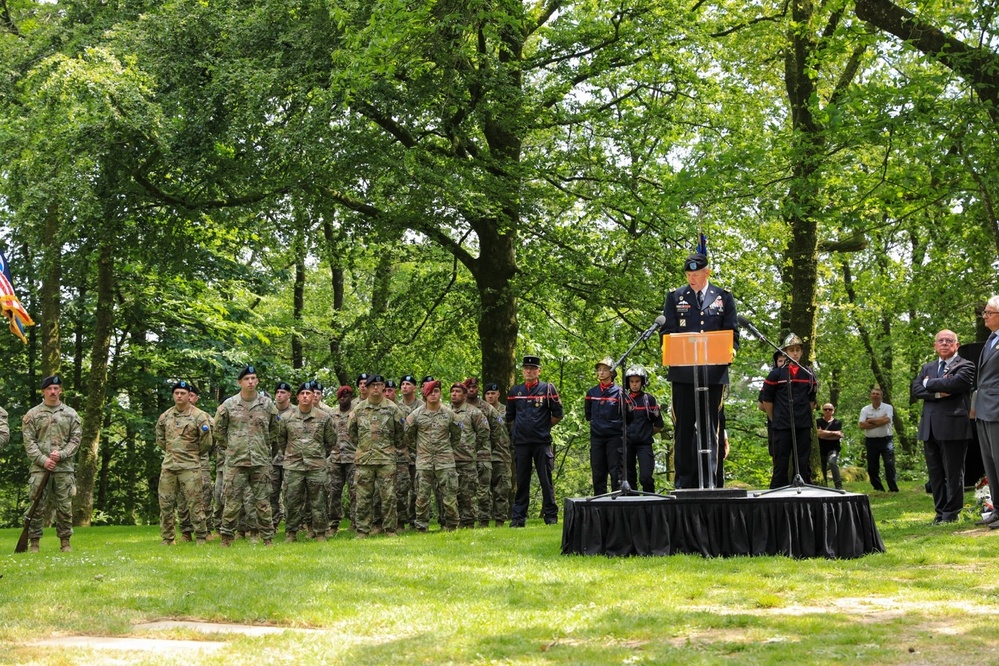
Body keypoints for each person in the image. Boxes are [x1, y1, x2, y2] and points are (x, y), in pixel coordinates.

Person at [660, 252, 738, 488]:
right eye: (688, 274)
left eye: (696, 274)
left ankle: (710, 479)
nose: (691, 278)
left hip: (712, 374)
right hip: (683, 374)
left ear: (707, 273)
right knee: (683, 428)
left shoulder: (723, 297)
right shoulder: (675, 297)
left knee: (710, 428)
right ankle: (683, 482)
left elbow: (732, 333)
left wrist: (731, 350)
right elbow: (666, 332)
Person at [911, 329, 975, 524]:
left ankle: (951, 514)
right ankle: (940, 513)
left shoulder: (966, 365)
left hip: (953, 427)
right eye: (941, 341)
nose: (945, 343)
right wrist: (938, 391)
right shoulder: (927, 367)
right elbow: (916, 389)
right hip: (929, 427)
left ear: (956, 345)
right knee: (935, 474)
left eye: (949, 341)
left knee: (954, 473)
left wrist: (929, 384)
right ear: (935, 346)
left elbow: (957, 383)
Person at [215, 365, 280, 546]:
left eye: (253, 378)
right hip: (236, 461)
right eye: (246, 379)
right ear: (240, 382)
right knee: (232, 501)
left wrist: (264, 446)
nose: (250, 382)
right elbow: (218, 431)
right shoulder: (229, 405)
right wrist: (232, 447)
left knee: (263, 502)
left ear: (257, 381)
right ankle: (226, 538)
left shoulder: (267, 405)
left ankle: (267, 539)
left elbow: (275, 429)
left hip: (260, 460)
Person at [21, 375, 82, 553]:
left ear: (60, 390)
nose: (53, 392)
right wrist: (43, 460)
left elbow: (76, 440)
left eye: (56, 388)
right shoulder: (32, 414)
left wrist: (62, 454)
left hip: (64, 469)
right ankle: (34, 544)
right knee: (36, 507)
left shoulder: (71, 414)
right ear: (43, 391)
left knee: (65, 507)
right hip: (40, 469)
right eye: (49, 389)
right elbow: (29, 442)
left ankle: (65, 542)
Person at [506, 355, 563, 526]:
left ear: (539, 371)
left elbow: (558, 414)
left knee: (546, 480)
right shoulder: (515, 392)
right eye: (526, 368)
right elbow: (510, 417)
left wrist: (543, 428)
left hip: (542, 443)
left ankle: (551, 516)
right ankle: (518, 518)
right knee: (522, 481)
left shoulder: (548, 389)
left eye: (532, 368)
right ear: (522, 371)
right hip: (522, 443)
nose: (529, 371)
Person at [156, 380, 213, 545]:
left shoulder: (198, 416)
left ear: (190, 396)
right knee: (166, 503)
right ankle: (168, 538)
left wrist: (192, 454)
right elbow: (160, 439)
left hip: (190, 466)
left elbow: (207, 442)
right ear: (173, 395)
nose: (179, 396)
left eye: (183, 393)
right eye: (176, 393)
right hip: (169, 466)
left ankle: (201, 536)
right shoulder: (165, 416)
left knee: (195, 503)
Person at [348, 375, 404, 537]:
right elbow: (352, 433)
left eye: (379, 385)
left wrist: (388, 448)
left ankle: (390, 530)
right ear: (367, 387)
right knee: (363, 497)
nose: (376, 388)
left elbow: (400, 434)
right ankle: (363, 530)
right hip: (364, 460)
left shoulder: (393, 409)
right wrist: (364, 448)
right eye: (373, 385)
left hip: (386, 460)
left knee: (389, 497)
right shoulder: (358, 409)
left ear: (383, 387)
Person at [278, 383, 335, 541]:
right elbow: (281, 440)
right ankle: (291, 533)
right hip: (293, 465)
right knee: (292, 500)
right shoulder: (286, 418)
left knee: (319, 500)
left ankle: (321, 533)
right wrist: (291, 454)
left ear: (313, 396)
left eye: (308, 393)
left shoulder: (324, 418)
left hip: (316, 466)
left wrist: (318, 455)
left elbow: (331, 441)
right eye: (302, 393)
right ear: (297, 397)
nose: (305, 396)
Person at [759, 334, 817, 489]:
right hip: (782, 425)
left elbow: (812, 400)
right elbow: (767, 400)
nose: (795, 353)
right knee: (781, 462)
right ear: (785, 352)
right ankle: (777, 492)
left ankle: (804, 491)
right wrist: (774, 419)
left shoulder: (809, 374)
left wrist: (804, 415)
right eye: (791, 350)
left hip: (803, 424)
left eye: (798, 350)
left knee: (803, 460)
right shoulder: (776, 374)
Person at [403, 380, 461, 531]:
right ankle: (422, 526)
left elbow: (456, 436)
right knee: (422, 496)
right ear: (425, 395)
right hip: (424, 461)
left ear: (440, 393)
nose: (433, 395)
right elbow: (408, 436)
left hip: (445, 461)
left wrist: (446, 449)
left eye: (436, 391)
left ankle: (451, 526)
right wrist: (420, 450)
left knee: (449, 496)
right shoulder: (415, 415)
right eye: (430, 392)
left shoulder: (450, 414)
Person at [467, 377, 510, 526]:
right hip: (478, 455)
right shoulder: (467, 408)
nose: (490, 396)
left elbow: (509, 430)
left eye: (493, 393)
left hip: (500, 454)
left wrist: (491, 445)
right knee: (480, 489)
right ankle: (480, 519)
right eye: (488, 393)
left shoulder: (505, 410)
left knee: (501, 489)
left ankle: (500, 520)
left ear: (498, 394)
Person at [585, 357, 631, 495]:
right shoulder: (591, 393)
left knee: (616, 472)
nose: (601, 372)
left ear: (612, 373)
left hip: (615, 438)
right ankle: (599, 505)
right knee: (598, 471)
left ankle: (617, 504)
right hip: (597, 437)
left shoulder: (621, 393)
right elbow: (588, 414)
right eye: (599, 370)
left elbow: (629, 416)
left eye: (605, 369)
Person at [449, 382, 490, 528]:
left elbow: (484, 432)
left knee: (468, 493)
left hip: (467, 459)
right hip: (449, 460)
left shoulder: (474, 412)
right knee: (452, 493)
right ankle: (453, 523)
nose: (454, 394)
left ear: (465, 395)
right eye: (452, 391)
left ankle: (469, 523)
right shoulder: (446, 411)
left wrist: (473, 448)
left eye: (458, 391)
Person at [976, 297, 999, 526]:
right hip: (983, 408)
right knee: (990, 461)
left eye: (989, 312)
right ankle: (997, 510)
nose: (985, 316)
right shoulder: (991, 340)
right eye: (985, 312)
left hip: (997, 408)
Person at [623, 366, 664, 493]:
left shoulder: (649, 399)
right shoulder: (623, 399)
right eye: (632, 382)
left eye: (637, 381)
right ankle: (632, 506)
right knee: (628, 479)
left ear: (642, 382)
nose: (634, 384)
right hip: (627, 444)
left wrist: (646, 434)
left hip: (644, 445)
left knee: (646, 477)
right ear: (628, 383)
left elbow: (658, 424)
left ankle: (650, 500)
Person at [859, 386, 898, 492]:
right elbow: (862, 425)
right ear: (870, 396)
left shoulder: (888, 407)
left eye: (878, 394)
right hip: (871, 441)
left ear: (882, 396)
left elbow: (887, 420)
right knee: (872, 467)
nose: (875, 396)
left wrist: (870, 420)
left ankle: (893, 489)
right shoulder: (865, 409)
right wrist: (879, 421)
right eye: (873, 394)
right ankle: (878, 488)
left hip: (886, 440)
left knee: (889, 464)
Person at [328, 385, 356, 533]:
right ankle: (333, 524)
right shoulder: (332, 415)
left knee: (355, 491)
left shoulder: (356, 413)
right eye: (341, 396)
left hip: (352, 458)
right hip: (336, 458)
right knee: (334, 492)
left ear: (351, 397)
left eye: (347, 396)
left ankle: (355, 523)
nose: (344, 398)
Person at [270, 381, 295, 530]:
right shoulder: (270, 411)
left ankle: (293, 524)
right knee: (271, 493)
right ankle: (273, 523)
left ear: (289, 395)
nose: (279, 395)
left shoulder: (296, 412)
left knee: (291, 494)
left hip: (290, 460)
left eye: (283, 392)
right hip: (273, 460)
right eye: (277, 392)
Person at [816, 403, 844, 490]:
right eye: (825, 409)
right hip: (821, 448)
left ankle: (838, 486)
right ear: (822, 411)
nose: (827, 411)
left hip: (833, 448)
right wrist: (833, 433)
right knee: (822, 467)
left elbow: (838, 436)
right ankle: (824, 487)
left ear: (833, 411)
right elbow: (819, 434)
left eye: (830, 409)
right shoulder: (818, 421)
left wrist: (824, 434)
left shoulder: (837, 422)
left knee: (832, 462)